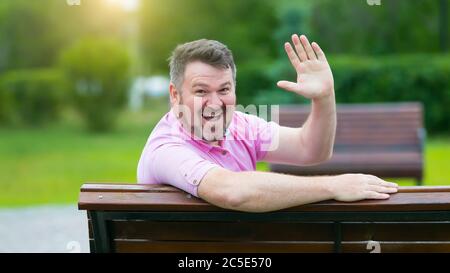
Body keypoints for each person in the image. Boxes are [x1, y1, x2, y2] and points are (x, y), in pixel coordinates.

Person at [137, 34, 398, 212]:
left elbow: (311, 149)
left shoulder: (241, 126)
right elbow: (232, 191)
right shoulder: (167, 147)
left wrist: (324, 98)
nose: (215, 102)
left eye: (224, 89)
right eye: (202, 91)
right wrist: (333, 185)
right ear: (175, 94)